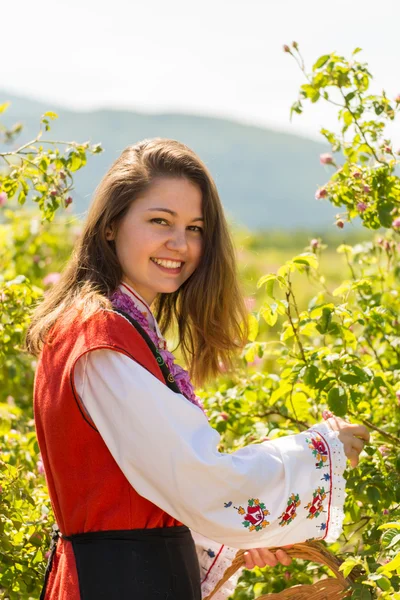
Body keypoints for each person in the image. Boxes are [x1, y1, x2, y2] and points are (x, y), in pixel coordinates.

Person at [26, 138, 369, 600]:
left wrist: (245, 531)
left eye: (195, 228)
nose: (180, 244)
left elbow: (163, 487)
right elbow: (197, 475)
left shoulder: (118, 327)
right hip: (120, 583)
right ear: (110, 225)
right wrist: (319, 450)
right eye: (160, 221)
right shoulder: (99, 337)